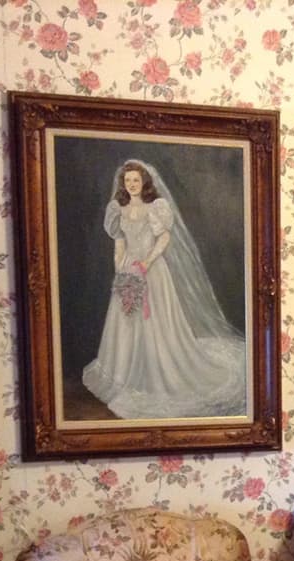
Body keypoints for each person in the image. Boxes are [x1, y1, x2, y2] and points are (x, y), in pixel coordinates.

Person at [82, 159, 247, 419]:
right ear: (123, 184)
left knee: (155, 322)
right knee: (126, 320)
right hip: (129, 271)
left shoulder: (156, 207)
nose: (132, 185)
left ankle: (160, 372)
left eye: (136, 180)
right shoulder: (118, 210)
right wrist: (121, 272)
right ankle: (126, 374)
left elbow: (165, 237)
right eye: (128, 181)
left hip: (153, 270)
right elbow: (120, 243)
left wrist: (146, 263)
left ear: (144, 182)